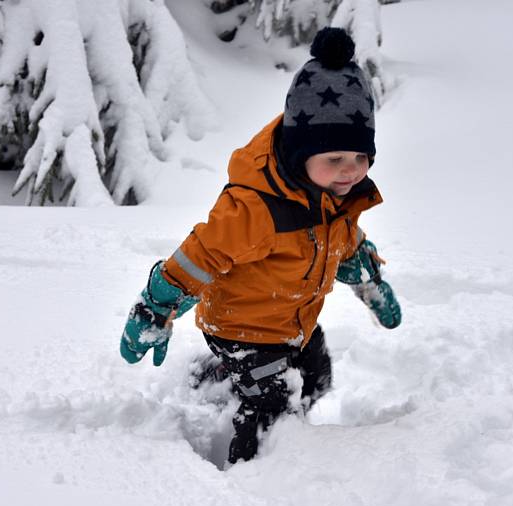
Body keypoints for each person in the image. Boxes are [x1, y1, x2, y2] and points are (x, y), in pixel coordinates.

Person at [119, 27, 402, 464]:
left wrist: (369, 282)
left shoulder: (335, 199)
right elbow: (198, 257)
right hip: (240, 326)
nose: (350, 172)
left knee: (317, 377)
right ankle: (255, 476)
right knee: (273, 406)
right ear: (300, 152)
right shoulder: (255, 208)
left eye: (360, 159)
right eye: (334, 160)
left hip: (292, 322)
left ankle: (218, 379)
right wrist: (156, 307)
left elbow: (344, 244)